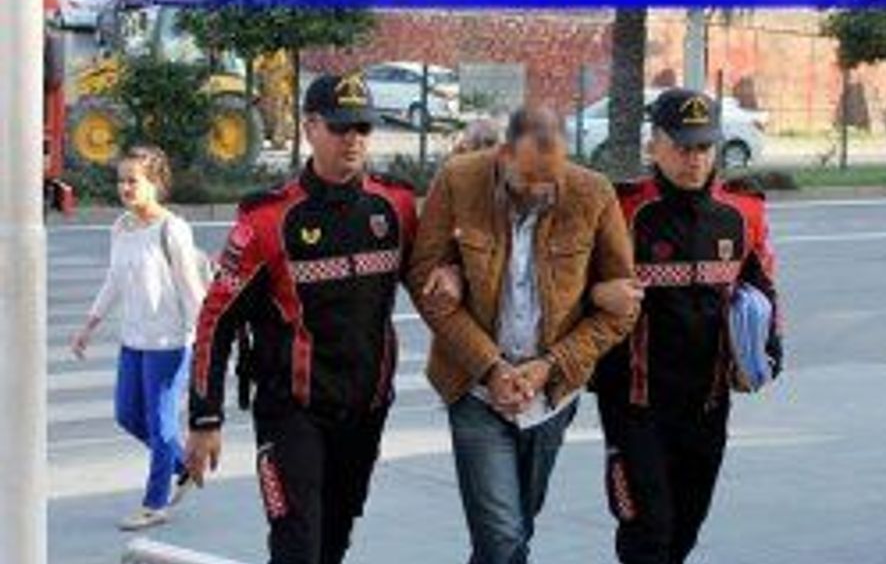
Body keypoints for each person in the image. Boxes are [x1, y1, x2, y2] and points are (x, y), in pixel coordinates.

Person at [183, 73, 419, 564]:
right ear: (310, 127)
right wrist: (205, 416)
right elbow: (216, 319)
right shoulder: (266, 219)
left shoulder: (396, 205)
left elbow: (431, 278)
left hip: (366, 411)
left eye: (362, 127)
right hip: (291, 414)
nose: (353, 139)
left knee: (333, 543)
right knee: (297, 547)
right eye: (339, 127)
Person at [408, 105, 637, 564]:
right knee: (503, 537)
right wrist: (490, 368)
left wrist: (549, 365)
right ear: (504, 154)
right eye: (529, 178)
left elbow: (621, 309)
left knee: (515, 528)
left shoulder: (593, 193)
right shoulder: (459, 180)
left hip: (551, 392)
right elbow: (424, 282)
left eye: (550, 180)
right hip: (473, 387)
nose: (540, 191)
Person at [591, 89, 784, 564]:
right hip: (635, 407)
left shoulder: (744, 214)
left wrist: (767, 355)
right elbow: (574, 286)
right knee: (648, 532)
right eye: (681, 146)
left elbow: (763, 290)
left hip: (708, 405)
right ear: (653, 145)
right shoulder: (621, 210)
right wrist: (598, 295)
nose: (693, 159)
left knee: (684, 532)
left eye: (702, 147)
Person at [71, 145, 207, 531]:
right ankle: (182, 465)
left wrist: (204, 343)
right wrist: (89, 325)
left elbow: (192, 291)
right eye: (121, 180)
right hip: (133, 341)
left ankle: (154, 504)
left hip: (169, 343)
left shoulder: (172, 229)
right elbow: (114, 280)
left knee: (161, 426)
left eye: (133, 180)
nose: (125, 188)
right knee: (127, 415)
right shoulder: (121, 227)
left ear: (155, 183)